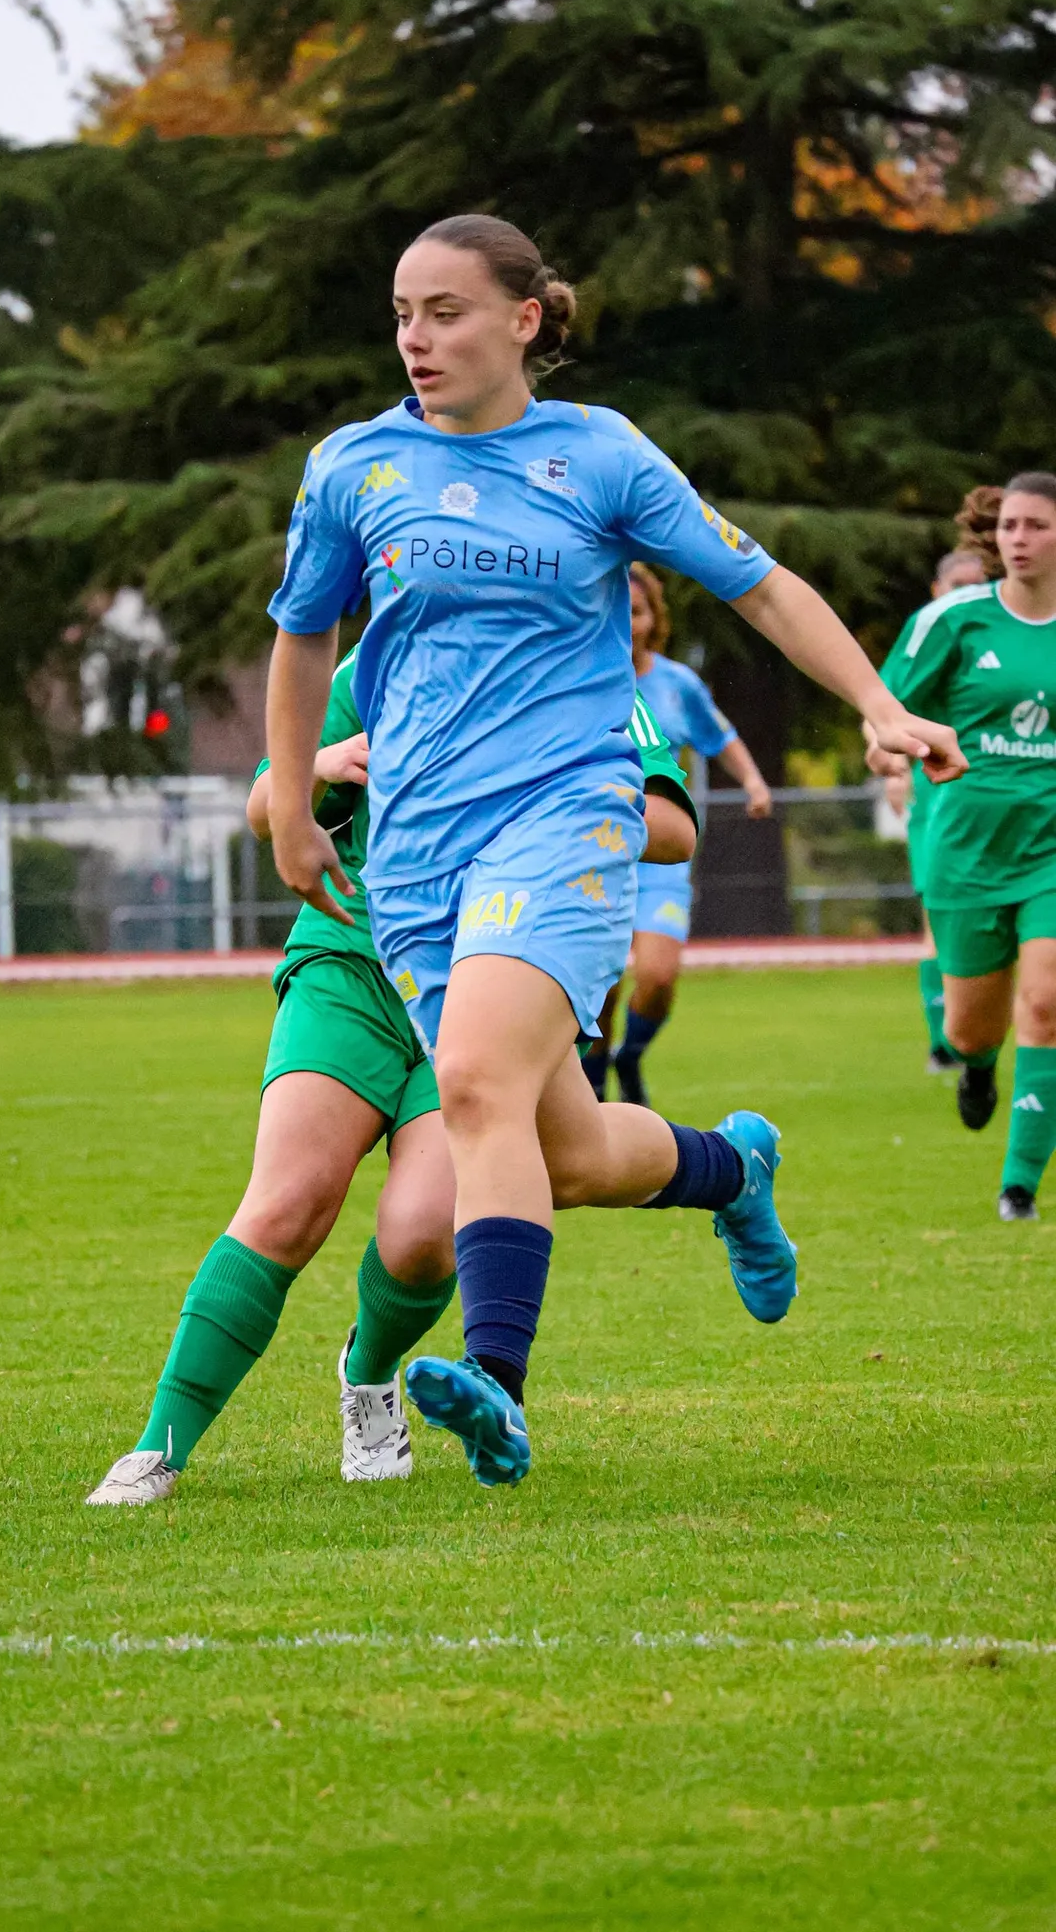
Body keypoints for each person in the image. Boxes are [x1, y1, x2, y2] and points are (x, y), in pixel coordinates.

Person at [264, 212, 965, 1488]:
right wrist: (293, 804)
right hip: (416, 854)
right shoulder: (352, 467)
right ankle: (727, 1168)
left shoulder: (600, 455)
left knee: (472, 1081)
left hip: (566, 822)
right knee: (566, 1151)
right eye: (402, 315)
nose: (416, 339)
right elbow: (304, 639)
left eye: (447, 311)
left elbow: (758, 585)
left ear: (525, 320)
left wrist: (876, 703)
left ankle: (496, 1381)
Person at [85, 652, 699, 1503]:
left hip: (486, 978)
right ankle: (159, 1446)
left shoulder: (578, 664)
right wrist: (325, 766)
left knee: (421, 1234)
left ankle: (367, 1370)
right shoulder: (371, 665)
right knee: (288, 1200)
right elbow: (268, 806)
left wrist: (540, 784)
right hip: (352, 962)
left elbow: (673, 827)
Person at [866, 473, 1056, 1221]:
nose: (1018, 538)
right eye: (1009, 525)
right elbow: (883, 709)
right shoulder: (951, 620)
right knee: (971, 1027)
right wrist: (889, 752)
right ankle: (976, 1068)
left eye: (1036, 525)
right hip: (968, 852)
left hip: (1050, 851)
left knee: (1046, 999)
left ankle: (1019, 1184)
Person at [586, 561, 773, 1105]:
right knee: (602, 987)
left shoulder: (675, 685)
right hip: (596, 859)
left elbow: (721, 736)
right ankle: (595, 1077)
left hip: (663, 862)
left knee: (658, 977)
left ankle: (632, 1055)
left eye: (637, 611)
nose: (627, 621)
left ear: (653, 618)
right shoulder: (582, 680)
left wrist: (755, 781)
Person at [878, 529, 994, 1073]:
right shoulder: (928, 641)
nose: (969, 594)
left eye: (979, 585)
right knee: (939, 922)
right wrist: (892, 763)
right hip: (943, 801)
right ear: (935, 589)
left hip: (1011, 803)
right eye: (957, 586)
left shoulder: (1002, 637)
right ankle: (943, 1045)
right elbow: (884, 707)